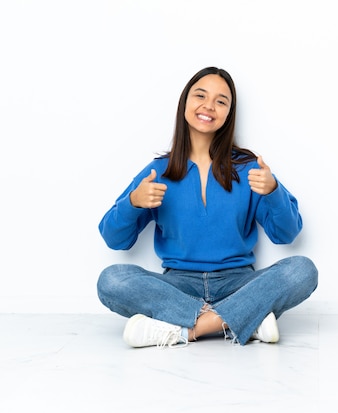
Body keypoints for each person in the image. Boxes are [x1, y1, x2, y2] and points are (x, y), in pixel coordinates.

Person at [97, 67, 318, 349]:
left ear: (229, 114)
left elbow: (286, 235)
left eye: (221, 101)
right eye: (200, 95)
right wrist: (133, 203)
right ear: (185, 103)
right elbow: (114, 239)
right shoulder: (157, 172)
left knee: (302, 270)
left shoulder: (248, 169)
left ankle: (184, 330)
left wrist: (273, 191)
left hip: (239, 283)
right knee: (112, 280)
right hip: (178, 286)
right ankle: (244, 319)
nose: (209, 106)